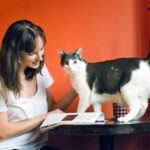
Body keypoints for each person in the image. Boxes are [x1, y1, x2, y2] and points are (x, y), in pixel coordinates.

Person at [0, 20, 77, 150]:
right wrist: (44, 117)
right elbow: (3, 131)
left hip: (39, 146)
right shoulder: (2, 81)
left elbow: (51, 108)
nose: (40, 57)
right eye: (32, 53)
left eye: (41, 49)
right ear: (16, 53)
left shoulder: (40, 70)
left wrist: (74, 91)